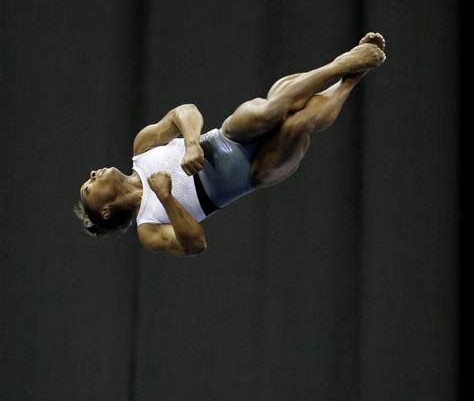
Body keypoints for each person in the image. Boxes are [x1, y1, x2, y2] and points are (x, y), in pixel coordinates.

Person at [74, 33, 386, 254]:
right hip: (256, 171)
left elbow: (185, 112)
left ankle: (342, 64)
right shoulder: (149, 226)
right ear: (106, 211)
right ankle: (351, 80)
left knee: (270, 110)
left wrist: (193, 144)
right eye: (89, 189)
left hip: (232, 136)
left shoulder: (142, 149)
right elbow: (196, 244)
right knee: (297, 125)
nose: (92, 175)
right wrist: (166, 198)